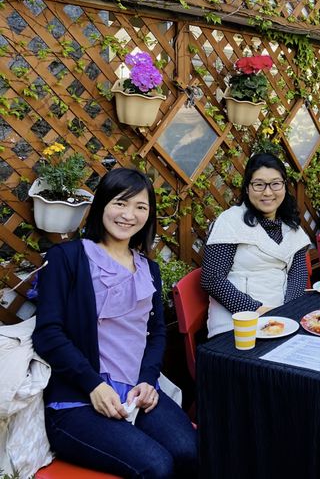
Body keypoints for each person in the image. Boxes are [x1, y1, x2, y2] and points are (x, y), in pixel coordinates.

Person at [33, 168, 197, 478]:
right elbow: (48, 333)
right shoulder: (66, 258)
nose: (129, 215)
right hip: (78, 399)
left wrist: (149, 380)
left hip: (137, 391)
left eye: (140, 207)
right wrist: (92, 384)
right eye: (120, 203)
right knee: (157, 466)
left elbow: (155, 332)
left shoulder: (149, 268)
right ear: (102, 206)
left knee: (190, 451)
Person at [202, 152, 310, 338]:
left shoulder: (290, 226)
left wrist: (288, 313)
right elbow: (212, 278)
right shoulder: (230, 221)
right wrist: (257, 311)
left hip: (281, 319)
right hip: (236, 323)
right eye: (259, 184)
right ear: (247, 188)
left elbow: (298, 274)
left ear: (284, 186)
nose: (268, 192)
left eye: (275, 184)